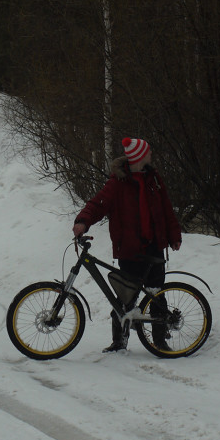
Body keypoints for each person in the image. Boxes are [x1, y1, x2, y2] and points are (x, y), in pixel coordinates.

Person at [72, 137, 182, 352]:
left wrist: (174, 235)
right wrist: (83, 221)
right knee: (124, 298)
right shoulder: (117, 183)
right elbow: (97, 204)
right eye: (148, 153)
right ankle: (119, 342)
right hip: (129, 249)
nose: (151, 156)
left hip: (154, 246)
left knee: (157, 295)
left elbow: (166, 209)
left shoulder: (154, 179)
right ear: (140, 157)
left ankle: (160, 341)